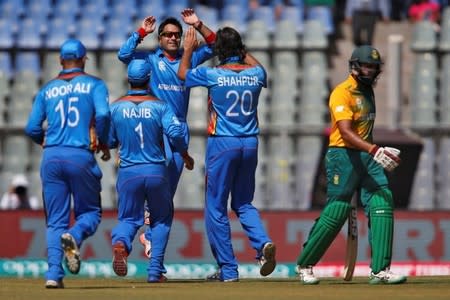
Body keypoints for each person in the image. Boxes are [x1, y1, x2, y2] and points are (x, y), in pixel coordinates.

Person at [295, 45, 407, 285]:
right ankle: (305, 264)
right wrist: (375, 149)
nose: (370, 71)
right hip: (343, 156)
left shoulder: (368, 92)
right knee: (338, 210)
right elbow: (345, 133)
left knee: (382, 200)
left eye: (374, 67)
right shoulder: (341, 92)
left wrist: (372, 150)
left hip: (367, 155)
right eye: (366, 66)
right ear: (355, 66)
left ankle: (380, 270)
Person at [177, 26, 276, 282]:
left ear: (219, 51)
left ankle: (229, 269)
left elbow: (183, 75)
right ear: (241, 49)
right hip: (250, 143)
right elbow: (262, 70)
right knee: (243, 203)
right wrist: (242, 50)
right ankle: (262, 243)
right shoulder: (255, 73)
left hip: (223, 143)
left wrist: (188, 49)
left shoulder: (214, 74)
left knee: (216, 207)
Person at [118, 8, 216, 259]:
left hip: (179, 127)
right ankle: (147, 226)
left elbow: (217, 47)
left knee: (168, 187)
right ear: (160, 38)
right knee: (164, 168)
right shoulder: (151, 60)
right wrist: (141, 32)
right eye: (168, 35)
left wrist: (199, 24)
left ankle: (149, 234)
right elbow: (124, 54)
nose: (173, 38)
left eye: (177, 34)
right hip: (156, 125)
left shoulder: (189, 58)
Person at [24, 39, 111, 289]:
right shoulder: (94, 84)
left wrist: (44, 141)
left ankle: (53, 274)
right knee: (90, 214)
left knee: (55, 221)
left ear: (60, 60)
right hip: (80, 155)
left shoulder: (47, 89)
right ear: (84, 59)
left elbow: (31, 128)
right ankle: (73, 236)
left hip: (51, 157)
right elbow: (104, 114)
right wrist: (103, 141)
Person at [108, 59, 193, 283]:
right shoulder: (160, 105)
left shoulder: (115, 107)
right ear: (149, 80)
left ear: (129, 79)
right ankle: (155, 271)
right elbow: (175, 133)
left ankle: (121, 243)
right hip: (156, 170)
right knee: (161, 219)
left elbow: (108, 139)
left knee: (128, 218)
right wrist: (184, 153)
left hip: (128, 172)